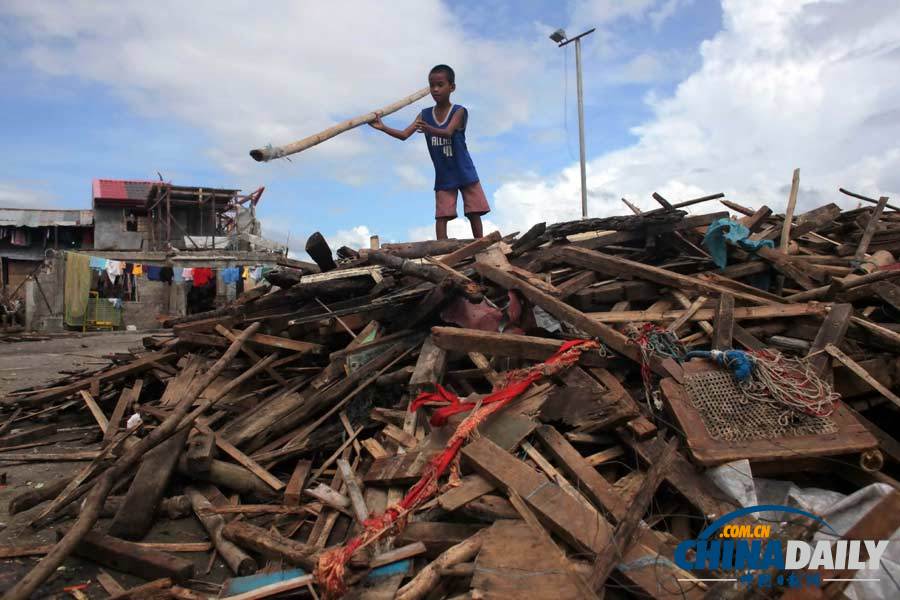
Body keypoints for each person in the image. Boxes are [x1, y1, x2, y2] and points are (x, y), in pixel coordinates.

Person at [370, 64, 490, 240]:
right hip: (444, 174)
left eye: (440, 85)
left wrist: (429, 129)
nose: (435, 89)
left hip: (464, 170)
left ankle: (481, 243)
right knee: (442, 215)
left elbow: (448, 131)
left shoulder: (459, 111)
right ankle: (441, 249)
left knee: (474, 211)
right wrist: (382, 127)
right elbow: (404, 135)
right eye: (432, 85)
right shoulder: (424, 115)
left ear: (452, 87)